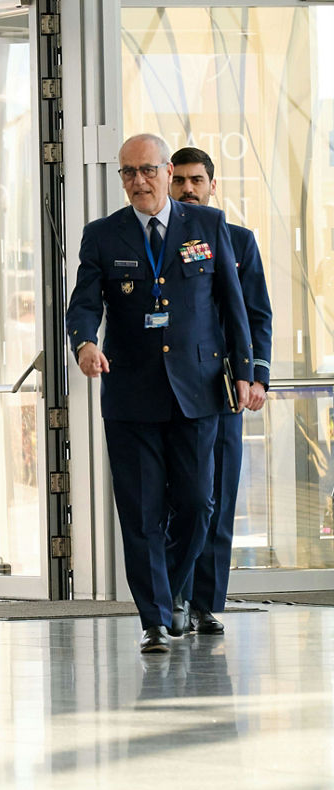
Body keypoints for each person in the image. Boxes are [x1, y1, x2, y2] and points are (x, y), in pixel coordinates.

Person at [65, 134, 254, 655]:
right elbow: (83, 304)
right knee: (141, 512)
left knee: (198, 503)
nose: (138, 181)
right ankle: (154, 618)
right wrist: (83, 343)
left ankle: (168, 589)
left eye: (147, 170)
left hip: (198, 389)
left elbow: (233, 306)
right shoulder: (103, 235)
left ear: (168, 171)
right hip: (131, 392)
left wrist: (244, 372)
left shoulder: (209, 226)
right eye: (127, 173)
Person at [169, 146, 272, 636]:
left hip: (225, 390)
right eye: (180, 181)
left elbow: (256, 315)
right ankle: (175, 596)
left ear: (213, 185)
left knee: (220, 495)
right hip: (174, 395)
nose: (189, 189)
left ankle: (207, 603)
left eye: (197, 181)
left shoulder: (238, 240)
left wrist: (256, 376)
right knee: (183, 500)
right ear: (169, 183)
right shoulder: (159, 242)